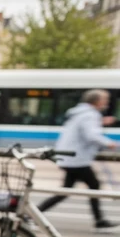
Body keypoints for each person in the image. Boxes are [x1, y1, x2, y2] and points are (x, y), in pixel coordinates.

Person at [37, 89, 118, 229]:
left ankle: (34, 213)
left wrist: (100, 122)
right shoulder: (90, 115)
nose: (107, 103)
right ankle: (99, 220)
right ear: (97, 101)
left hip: (71, 157)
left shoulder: (82, 113)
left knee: (67, 190)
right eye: (105, 99)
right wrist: (109, 143)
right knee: (93, 186)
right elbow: (91, 135)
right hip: (76, 159)